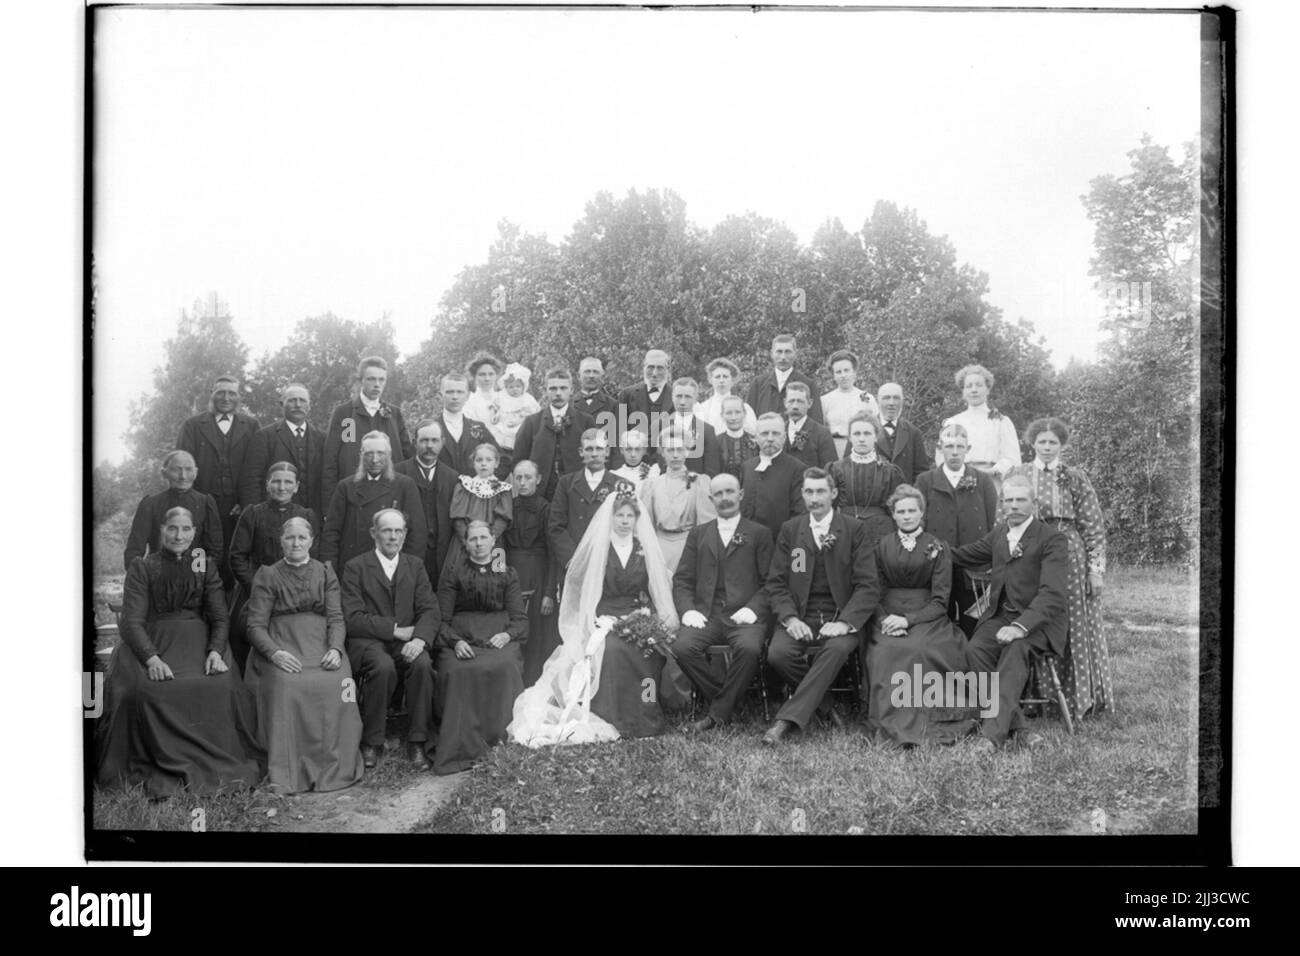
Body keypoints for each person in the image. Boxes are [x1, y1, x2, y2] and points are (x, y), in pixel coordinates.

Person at [96, 507, 262, 797]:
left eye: (186, 529)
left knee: (221, 685)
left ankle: (219, 762)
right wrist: (151, 657)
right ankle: (156, 761)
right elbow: (132, 622)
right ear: (161, 529)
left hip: (198, 644)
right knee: (144, 691)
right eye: (172, 528)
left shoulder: (203, 564)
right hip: (154, 641)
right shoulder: (143, 566)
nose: (179, 535)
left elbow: (220, 617)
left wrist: (214, 651)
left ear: (194, 533)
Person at [509, 484, 680, 745]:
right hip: (604, 618)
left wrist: (655, 621)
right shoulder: (600, 550)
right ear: (610, 518)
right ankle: (613, 716)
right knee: (612, 650)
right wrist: (595, 622)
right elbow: (586, 594)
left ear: (636, 519)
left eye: (629, 516)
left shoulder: (643, 550)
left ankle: (646, 714)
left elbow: (657, 589)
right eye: (619, 516)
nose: (624, 521)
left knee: (649, 653)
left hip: (637, 616)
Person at [243, 517, 364, 791]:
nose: (296, 543)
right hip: (283, 644)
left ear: (311, 541)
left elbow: (336, 617)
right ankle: (289, 768)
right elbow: (255, 625)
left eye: (301, 537)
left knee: (339, 682)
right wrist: (274, 654)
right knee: (287, 685)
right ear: (281, 541)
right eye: (290, 537)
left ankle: (336, 762)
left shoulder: (325, 572)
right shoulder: (268, 574)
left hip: (320, 644)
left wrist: (335, 648)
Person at [950, 475, 1069, 749]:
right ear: (1002, 504)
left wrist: (1020, 627)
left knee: (1015, 650)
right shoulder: (999, 534)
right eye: (1009, 500)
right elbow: (965, 554)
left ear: (1034, 503)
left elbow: (1053, 594)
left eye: (1021, 500)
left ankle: (991, 738)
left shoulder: (1053, 539)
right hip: (1002, 616)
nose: (1014, 505)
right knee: (975, 649)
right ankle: (1020, 729)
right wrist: (932, 549)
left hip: (1040, 623)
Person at [762, 468, 879, 746]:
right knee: (778, 654)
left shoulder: (854, 529)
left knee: (836, 649)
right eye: (809, 492)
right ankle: (825, 705)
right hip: (802, 615)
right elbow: (776, 583)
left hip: (841, 615)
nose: (814, 498)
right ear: (802, 494)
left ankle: (785, 721)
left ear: (833, 494)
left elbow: (868, 585)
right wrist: (790, 619)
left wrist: (844, 622)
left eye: (821, 491)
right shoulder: (792, 530)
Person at [1007, 417, 1111, 719]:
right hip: (1030, 551)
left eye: (1053, 442)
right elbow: (1007, 515)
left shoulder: (1074, 476)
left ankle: (1076, 697)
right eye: (1042, 442)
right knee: (1034, 615)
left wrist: (1096, 569)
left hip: (1070, 553)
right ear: (1033, 443)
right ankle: (1033, 695)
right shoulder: (1020, 473)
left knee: (1074, 621)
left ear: (1061, 444)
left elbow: (1093, 526)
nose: (1048, 447)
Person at [863, 486, 976, 747]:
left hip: (927, 616)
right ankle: (894, 723)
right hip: (888, 616)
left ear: (922, 513)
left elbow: (940, 600)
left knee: (921, 649)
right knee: (886, 651)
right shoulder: (881, 546)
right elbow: (874, 593)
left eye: (912, 510)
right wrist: (885, 620)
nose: (906, 516)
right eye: (900, 511)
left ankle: (930, 722)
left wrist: (908, 620)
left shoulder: (938, 547)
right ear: (893, 515)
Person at [672, 474, 774, 732]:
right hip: (708, 615)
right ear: (711, 499)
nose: (725, 498)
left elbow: (772, 582)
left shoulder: (760, 533)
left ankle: (716, 714)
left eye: (730, 492)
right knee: (683, 648)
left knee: (750, 649)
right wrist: (688, 611)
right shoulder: (698, 534)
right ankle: (726, 703)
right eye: (718, 494)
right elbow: (682, 579)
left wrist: (753, 608)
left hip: (745, 617)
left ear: (741, 495)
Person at [341, 509, 440, 771]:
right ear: (374, 533)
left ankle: (417, 740)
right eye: (387, 530)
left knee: (422, 665)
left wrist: (419, 640)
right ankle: (372, 740)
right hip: (368, 642)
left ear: (405, 535)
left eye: (398, 531)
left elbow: (430, 609)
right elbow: (352, 618)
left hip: (409, 641)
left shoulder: (415, 565)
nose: (393, 537)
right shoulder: (355, 567)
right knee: (382, 667)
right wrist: (395, 630)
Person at [434, 521, 528, 774]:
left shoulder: (507, 573)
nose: (478, 543)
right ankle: (462, 748)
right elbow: (441, 620)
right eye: (473, 539)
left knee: (506, 666)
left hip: (498, 637)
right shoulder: (454, 572)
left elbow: (520, 619)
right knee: (458, 671)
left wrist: (507, 636)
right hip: (461, 637)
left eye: (483, 538)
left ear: (493, 540)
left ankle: (502, 742)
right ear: (465, 543)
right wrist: (455, 642)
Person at [227, 461, 318, 673]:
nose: (282, 487)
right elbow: (237, 557)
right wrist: (259, 589)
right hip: (255, 588)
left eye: (288, 482)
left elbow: (314, 558)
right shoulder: (252, 513)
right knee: (241, 632)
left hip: (296, 589)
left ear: (296, 486)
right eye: (276, 481)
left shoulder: (306, 515)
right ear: (267, 484)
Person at [915, 424, 998, 636]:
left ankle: (973, 666)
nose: (954, 452)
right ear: (940, 447)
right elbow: (919, 523)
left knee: (975, 622)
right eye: (949, 446)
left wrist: (989, 561)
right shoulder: (925, 481)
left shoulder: (983, 480)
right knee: (941, 621)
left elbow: (993, 524)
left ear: (967, 449)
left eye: (959, 446)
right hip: (938, 565)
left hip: (975, 567)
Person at [177, 375, 261, 573]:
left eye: (232, 393)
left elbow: (255, 468)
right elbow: (183, 467)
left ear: (239, 397)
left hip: (237, 507)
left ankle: (231, 602)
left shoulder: (251, 426)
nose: (226, 398)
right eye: (221, 392)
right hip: (203, 503)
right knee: (200, 555)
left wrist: (246, 502)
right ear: (211, 394)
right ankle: (198, 598)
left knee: (236, 556)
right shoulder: (192, 426)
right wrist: (194, 503)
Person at [320, 431, 427, 572]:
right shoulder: (346, 486)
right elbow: (331, 534)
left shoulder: (405, 485)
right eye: (369, 453)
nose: (375, 459)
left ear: (389, 455)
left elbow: (417, 535)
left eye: (381, 453)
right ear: (361, 455)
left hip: (392, 567)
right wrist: (330, 572)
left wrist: (408, 570)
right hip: (353, 567)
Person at [322, 356, 414, 507]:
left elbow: (406, 457)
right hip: (354, 496)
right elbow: (330, 461)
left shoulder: (394, 414)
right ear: (360, 381)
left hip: (390, 496)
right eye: (371, 379)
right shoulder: (345, 414)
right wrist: (329, 505)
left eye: (381, 380)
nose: (377, 385)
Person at [504, 460, 558, 685]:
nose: (523, 482)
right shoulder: (506, 505)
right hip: (511, 573)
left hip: (538, 572)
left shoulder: (547, 509)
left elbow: (552, 553)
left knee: (536, 631)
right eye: (518, 478)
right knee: (512, 625)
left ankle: (534, 683)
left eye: (528, 477)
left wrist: (548, 592)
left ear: (538, 480)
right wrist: (499, 577)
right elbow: (499, 546)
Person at [123, 450, 224, 572]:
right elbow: (134, 550)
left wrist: (201, 578)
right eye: (176, 470)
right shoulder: (150, 504)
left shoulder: (206, 503)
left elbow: (215, 550)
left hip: (196, 578)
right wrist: (140, 581)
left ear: (196, 473)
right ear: (164, 473)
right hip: (158, 576)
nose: (183, 476)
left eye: (188, 469)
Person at [639, 424, 716, 573]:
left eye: (680, 450)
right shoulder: (652, 484)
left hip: (688, 548)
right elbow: (646, 525)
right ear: (662, 453)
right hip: (658, 548)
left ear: (687, 452)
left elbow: (706, 526)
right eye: (670, 450)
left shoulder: (699, 482)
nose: (675, 455)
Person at [241, 383, 325, 518]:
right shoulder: (265, 436)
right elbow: (252, 481)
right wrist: (255, 516)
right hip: (274, 515)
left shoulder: (322, 438)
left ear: (309, 406)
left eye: (302, 400)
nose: (298, 405)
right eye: (292, 400)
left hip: (313, 516)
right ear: (282, 404)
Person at [511, 367, 595, 500]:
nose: (558, 393)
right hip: (541, 495)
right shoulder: (532, 422)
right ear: (545, 390)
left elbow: (595, 459)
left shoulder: (585, 421)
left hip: (576, 494)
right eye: (553, 388)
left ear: (571, 390)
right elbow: (519, 460)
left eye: (563, 388)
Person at [394, 419, 459, 587]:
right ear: (415, 442)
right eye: (424, 440)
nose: (429, 445)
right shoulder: (398, 472)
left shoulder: (452, 477)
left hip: (441, 555)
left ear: (442, 442)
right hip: (408, 552)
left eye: (434, 440)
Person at [547, 428, 621, 571]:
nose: (594, 454)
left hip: (607, 565)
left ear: (607, 451)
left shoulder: (620, 485)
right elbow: (556, 526)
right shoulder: (566, 484)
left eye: (599, 449)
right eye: (589, 449)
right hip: (573, 563)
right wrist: (572, 560)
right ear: (581, 452)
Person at [828, 412, 904, 547]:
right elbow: (828, 508)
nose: (861, 439)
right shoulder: (836, 469)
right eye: (857, 434)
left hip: (881, 535)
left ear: (876, 437)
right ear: (850, 437)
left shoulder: (890, 472)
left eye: (867, 434)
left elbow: (899, 509)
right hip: (844, 532)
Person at [937, 364, 1020, 479]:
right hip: (959, 481)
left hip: (992, 481)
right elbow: (942, 456)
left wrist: (992, 471)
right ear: (963, 391)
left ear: (988, 389)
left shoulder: (1001, 421)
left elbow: (1011, 458)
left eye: (979, 385)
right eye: (969, 386)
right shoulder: (952, 423)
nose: (974, 390)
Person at [739, 413, 807, 539]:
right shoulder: (747, 467)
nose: (770, 438)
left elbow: (799, 516)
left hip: (780, 544)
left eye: (775, 433)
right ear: (756, 437)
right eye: (765, 433)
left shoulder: (797, 469)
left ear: (784, 437)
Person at [446, 442, 513, 567]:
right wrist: (469, 541)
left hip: (494, 542)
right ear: (473, 463)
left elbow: (502, 519)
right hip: (465, 542)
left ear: (496, 463)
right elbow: (458, 519)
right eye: (479, 460)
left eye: (489, 460)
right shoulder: (465, 485)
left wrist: (488, 541)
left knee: (495, 576)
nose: (483, 463)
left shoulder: (503, 490)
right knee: (462, 575)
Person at [746, 333, 824, 422]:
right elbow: (749, 420)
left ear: (795, 354)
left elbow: (816, 422)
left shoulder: (808, 384)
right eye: (779, 351)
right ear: (772, 354)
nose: (783, 357)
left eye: (787, 352)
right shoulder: (758, 384)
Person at [616, 349, 675, 463]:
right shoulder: (627, 395)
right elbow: (619, 433)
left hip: (666, 462)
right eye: (650, 367)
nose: (654, 373)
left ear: (668, 370)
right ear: (643, 368)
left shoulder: (676, 396)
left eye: (660, 368)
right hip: (634, 462)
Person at [819, 349, 880, 459]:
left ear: (854, 372)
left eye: (846, 370)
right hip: (833, 449)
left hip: (861, 449)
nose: (843, 375)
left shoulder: (867, 398)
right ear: (833, 376)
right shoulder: (825, 400)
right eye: (838, 372)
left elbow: (876, 429)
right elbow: (820, 429)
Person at [436, 371, 500, 475]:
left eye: (460, 392)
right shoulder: (429, 429)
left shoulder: (479, 428)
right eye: (449, 392)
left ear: (467, 395)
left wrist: (486, 484)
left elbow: (503, 459)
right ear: (440, 395)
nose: (455, 397)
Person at [875, 382, 930, 484]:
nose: (891, 403)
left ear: (902, 401)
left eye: (896, 398)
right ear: (878, 400)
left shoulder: (913, 433)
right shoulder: (866, 430)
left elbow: (921, 474)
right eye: (886, 398)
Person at [667, 377, 722, 476]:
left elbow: (711, 469)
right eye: (679, 396)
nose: (682, 402)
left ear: (695, 398)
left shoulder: (707, 431)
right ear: (672, 397)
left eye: (688, 397)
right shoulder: (660, 427)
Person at [695, 357, 757, 437]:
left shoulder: (745, 408)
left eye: (725, 376)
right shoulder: (702, 408)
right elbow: (697, 439)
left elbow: (753, 432)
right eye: (717, 377)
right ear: (710, 380)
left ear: (732, 379)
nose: (721, 380)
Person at [495, 362, 541, 465]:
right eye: (511, 387)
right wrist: (496, 416)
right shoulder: (503, 397)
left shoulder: (527, 400)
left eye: (517, 386)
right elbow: (500, 411)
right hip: (505, 429)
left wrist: (518, 421)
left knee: (521, 444)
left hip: (520, 427)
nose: (514, 389)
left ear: (523, 386)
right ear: (506, 387)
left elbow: (532, 416)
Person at [783, 382, 837, 468]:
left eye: (800, 401)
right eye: (791, 401)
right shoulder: (779, 431)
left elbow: (830, 471)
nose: (795, 406)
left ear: (809, 403)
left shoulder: (822, 434)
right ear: (785, 402)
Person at [717, 395, 760, 482]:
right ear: (722, 416)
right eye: (729, 413)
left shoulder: (756, 442)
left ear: (744, 414)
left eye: (737, 412)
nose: (733, 417)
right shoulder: (715, 442)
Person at [463, 352, 504, 439]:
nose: (487, 379)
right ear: (474, 376)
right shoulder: (469, 403)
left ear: (496, 376)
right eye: (482, 374)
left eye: (491, 374)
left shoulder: (505, 397)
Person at [573, 356, 619, 427]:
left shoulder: (613, 405)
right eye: (587, 371)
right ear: (578, 376)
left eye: (595, 372)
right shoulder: (568, 404)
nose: (591, 376)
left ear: (602, 377)